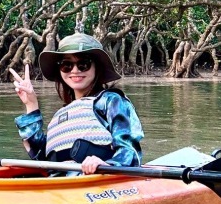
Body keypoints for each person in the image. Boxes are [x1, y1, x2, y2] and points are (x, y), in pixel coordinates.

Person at [9, 33, 143, 174]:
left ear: (96, 67)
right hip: (59, 185)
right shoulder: (60, 115)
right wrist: (31, 104)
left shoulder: (111, 101)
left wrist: (108, 165)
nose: (75, 70)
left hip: (97, 183)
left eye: (83, 64)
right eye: (67, 65)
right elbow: (42, 158)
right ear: (60, 69)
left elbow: (130, 150)